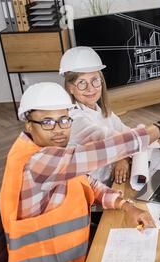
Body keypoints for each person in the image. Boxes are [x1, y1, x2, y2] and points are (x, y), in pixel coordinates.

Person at [0, 82, 160, 262]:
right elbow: (105, 150)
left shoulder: (49, 152)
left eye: (63, 120)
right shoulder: (36, 162)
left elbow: (87, 182)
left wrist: (125, 205)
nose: (59, 129)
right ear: (28, 125)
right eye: (47, 122)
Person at [60, 46, 131, 185]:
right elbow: (121, 140)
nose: (91, 88)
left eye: (95, 80)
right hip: (92, 192)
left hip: (112, 180)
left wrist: (123, 159)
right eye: (82, 83)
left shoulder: (101, 111)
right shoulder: (73, 120)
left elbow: (125, 133)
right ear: (70, 88)